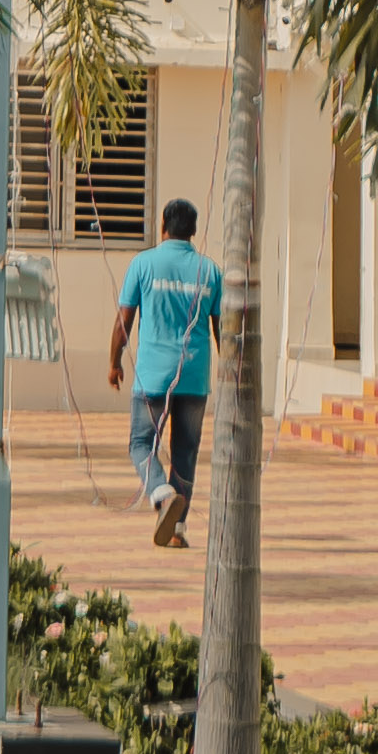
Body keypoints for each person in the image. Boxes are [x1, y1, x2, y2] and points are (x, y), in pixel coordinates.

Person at [111, 195, 227, 549]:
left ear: (163, 226)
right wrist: (228, 370)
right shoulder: (210, 271)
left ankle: (161, 494)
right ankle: (176, 531)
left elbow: (124, 320)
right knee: (185, 453)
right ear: (193, 231)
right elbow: (221, 328)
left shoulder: (143, 263)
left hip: (153, 377)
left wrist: (114, 362)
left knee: (140, 443)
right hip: (195, 376)